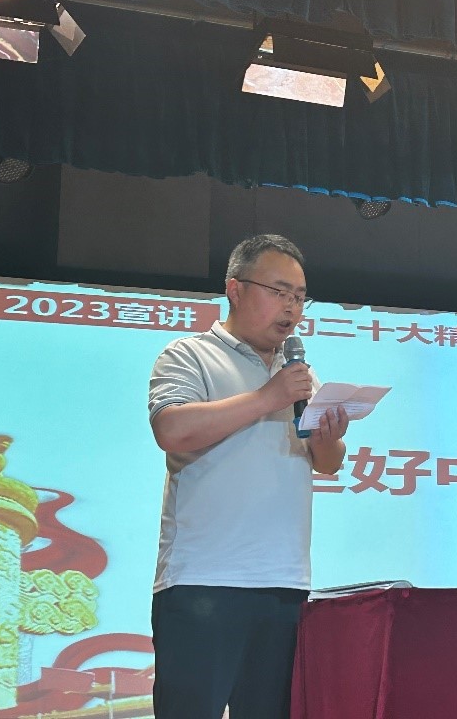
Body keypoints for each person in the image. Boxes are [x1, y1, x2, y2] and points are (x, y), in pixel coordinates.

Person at [147, 234, 349, 719]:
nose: (291, 307)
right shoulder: (189, 354)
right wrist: (267, 397)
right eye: (279, 292)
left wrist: (328, 438)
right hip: (202, 581)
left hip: (284, 583)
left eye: (299, 297)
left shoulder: (299, 374)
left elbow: (327, 463)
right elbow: (171, 430)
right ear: (235, 289)